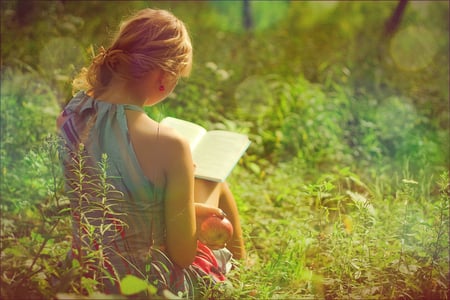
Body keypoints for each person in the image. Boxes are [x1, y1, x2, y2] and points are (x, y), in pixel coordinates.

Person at [57, 8, 246, 298]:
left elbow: (111, 205)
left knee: (207, 186)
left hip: (85, 273)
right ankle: (242, 268)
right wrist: (189, 202)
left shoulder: (72, 113)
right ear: (165, 77)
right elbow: (182, 256)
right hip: (146, 283)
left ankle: (243, 265)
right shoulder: (169, 144)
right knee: (214, 181)